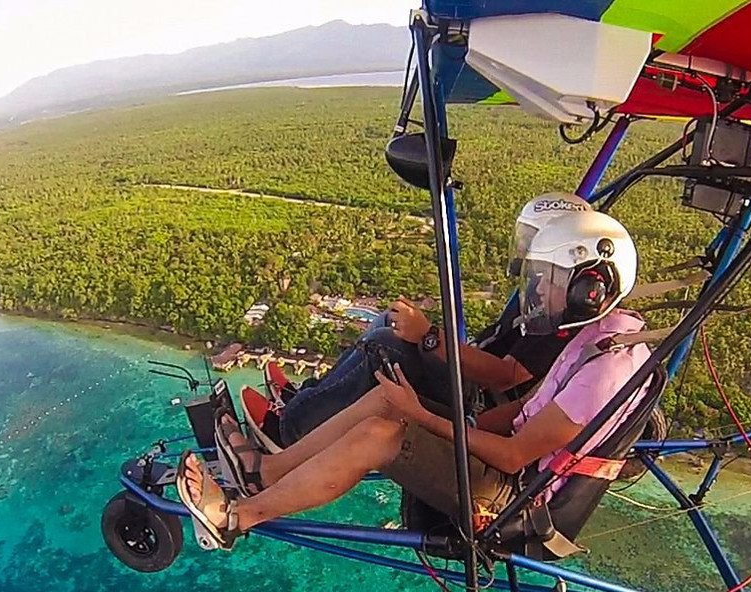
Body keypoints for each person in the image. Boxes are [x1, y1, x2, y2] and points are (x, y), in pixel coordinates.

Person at [176, 208, 651, 548]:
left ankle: (237, 517)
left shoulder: (605, 371)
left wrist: (422, 417)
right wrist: (449, 421)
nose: (540, 289)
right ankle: (266, 473)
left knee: (382, 434)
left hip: (516, 501)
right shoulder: (598, 336)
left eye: (552, 278)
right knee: (387, 400)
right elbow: (524, 411)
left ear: (590, 290)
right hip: (508, 466)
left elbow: (513, 455)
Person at [269, 192, 593, 446]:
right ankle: (304, 400)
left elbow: (505, 377)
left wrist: (429, 337)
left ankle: (288, 431)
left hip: (479, 401)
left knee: (385, 346)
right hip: (470, 382)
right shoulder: (541, 287)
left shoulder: (563, 315)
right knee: (388, 321)